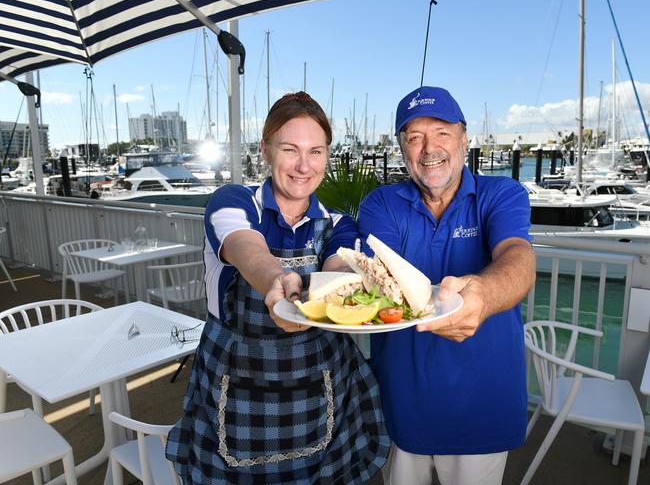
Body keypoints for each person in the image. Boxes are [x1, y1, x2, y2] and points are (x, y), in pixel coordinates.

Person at [166, 92, 390, 484]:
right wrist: (275, 280)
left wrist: (340, 283)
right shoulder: (232, 202)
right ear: (266, 150)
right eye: (290, 149)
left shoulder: (339, 223)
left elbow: (339, 263)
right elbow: (243, 245)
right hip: (238, 391)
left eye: (316, 151)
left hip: (321, 389)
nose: (304, 165)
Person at [356, 86, 536, 485]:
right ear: (402, 147)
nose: (428, 148)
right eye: (414, 136)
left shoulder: (502, 193)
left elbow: (518, 258)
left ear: (464, 137)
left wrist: (484, 295)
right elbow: (385, 278)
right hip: (401, 405)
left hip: (483, 405)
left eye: (440, 132)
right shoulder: (381, 204)